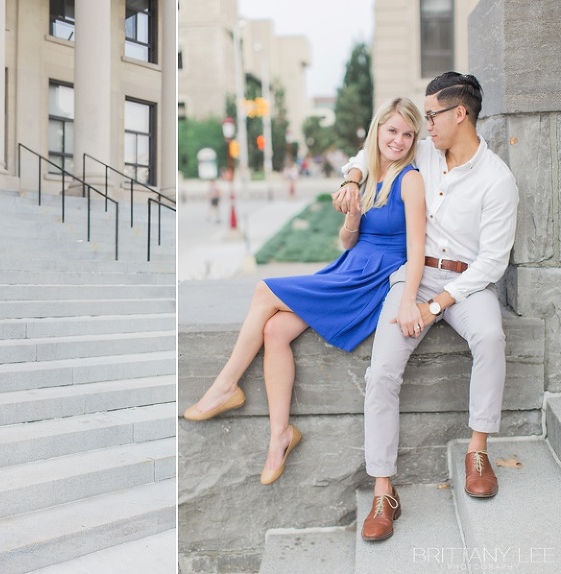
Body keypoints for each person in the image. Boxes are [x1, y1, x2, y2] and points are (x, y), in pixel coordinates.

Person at [183, 97, 427, 487]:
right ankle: (281, 435)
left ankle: (226, 386)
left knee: (264, 290)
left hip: (371, 279)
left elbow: (416, 248)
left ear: (415, 140)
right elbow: (348, 242)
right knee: (275, 330)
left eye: (408, 134)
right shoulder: (366, 175)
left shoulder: (409, 179)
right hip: (350, 266)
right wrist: (353, 215)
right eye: (392, 130)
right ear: (378, 130)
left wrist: (409, 299)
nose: (398, 140)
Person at [335, 72, 519, 542]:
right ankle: (384, 491)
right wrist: (353, 178)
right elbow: (371, 152)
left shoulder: (497, 180)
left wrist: (434, 305)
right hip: (412, 276)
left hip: (467, 284)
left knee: (491, 337)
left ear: (460, 114)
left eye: (432, 115)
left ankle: (478, 450)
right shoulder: (423, 153)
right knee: (381, 372)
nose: (425, 125)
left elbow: (492, 263)